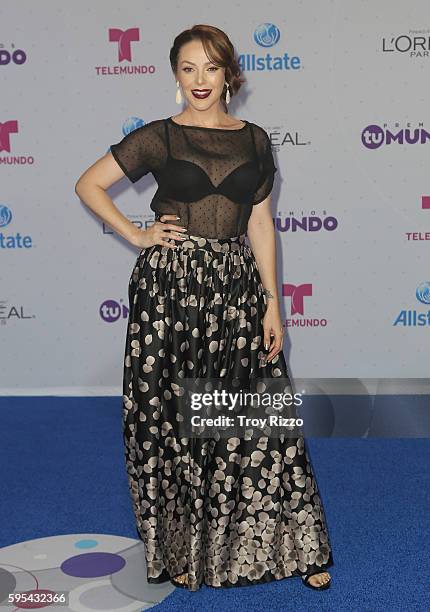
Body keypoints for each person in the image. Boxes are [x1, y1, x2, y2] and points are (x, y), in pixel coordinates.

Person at [75, 24, 333, 592]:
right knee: (174, 421)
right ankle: (184, 548)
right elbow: (89, 184)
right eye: (188, 68)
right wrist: (137, 235)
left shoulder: (255, 140)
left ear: (227, 75)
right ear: (175, 75)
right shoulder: (160, 137)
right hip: (169, 290)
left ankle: (289, 545)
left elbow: (261, 224)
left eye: (210, 68)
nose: (199, 79)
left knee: (254, 415)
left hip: (236, 288)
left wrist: (273, 303)